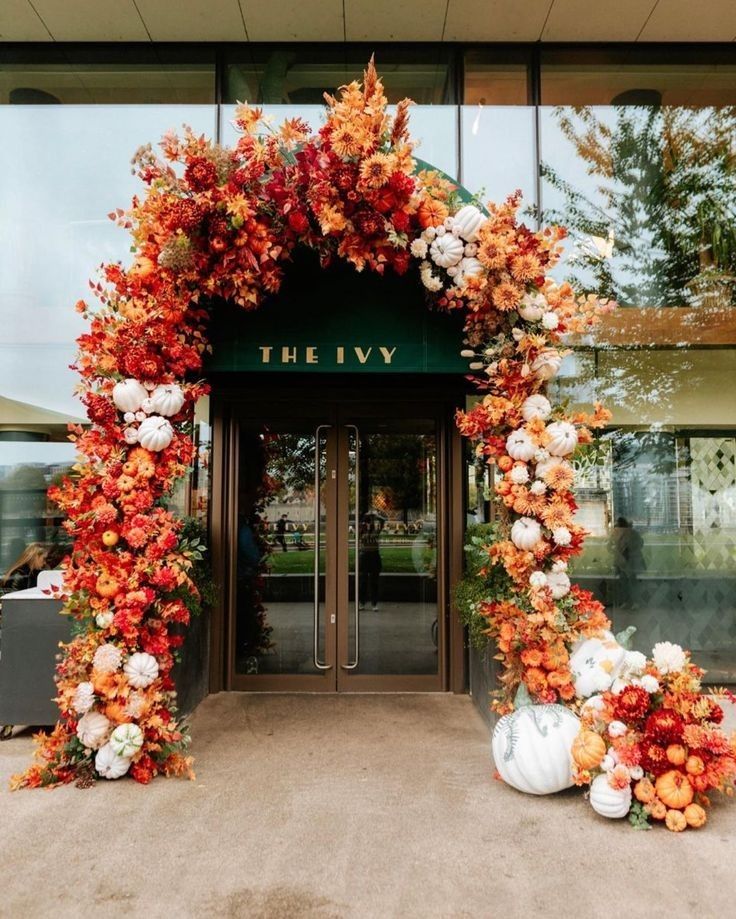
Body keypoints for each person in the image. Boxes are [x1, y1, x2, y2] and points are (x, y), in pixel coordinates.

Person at [610, 517, 645, 609]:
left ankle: (628, 601)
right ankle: (633, 602)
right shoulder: (632, 532)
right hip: (629, 561)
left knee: (625, 583)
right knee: (631, 582)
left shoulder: (616, 533)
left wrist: (616, 552)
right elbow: (641, 544)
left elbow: (609, 546)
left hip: (624, 562)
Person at [359, 513, 383, 611]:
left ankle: (374, 603)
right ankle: (362, 602)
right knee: (363, 581)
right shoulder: (361, 531)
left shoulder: (376, 531)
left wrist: (375, 516)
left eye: (370, 522)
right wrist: (364, 520)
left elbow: (382, 521)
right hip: (365, 556)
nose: (369, 524)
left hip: (374, 556)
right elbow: (359, 524)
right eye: (367, 522)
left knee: (374, 581)